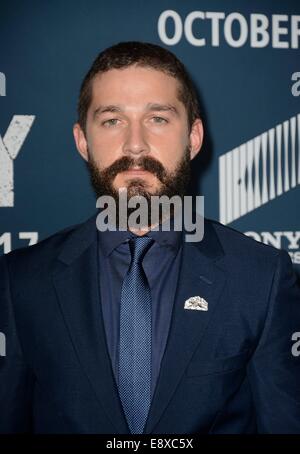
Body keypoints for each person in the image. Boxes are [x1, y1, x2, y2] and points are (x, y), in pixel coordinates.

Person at [0, 41, 299, 434]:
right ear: (82, 141)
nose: (135, 144)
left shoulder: (262, 277)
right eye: (112, 120)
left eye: (158, 118)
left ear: (193, 138)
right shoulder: (21, 280)